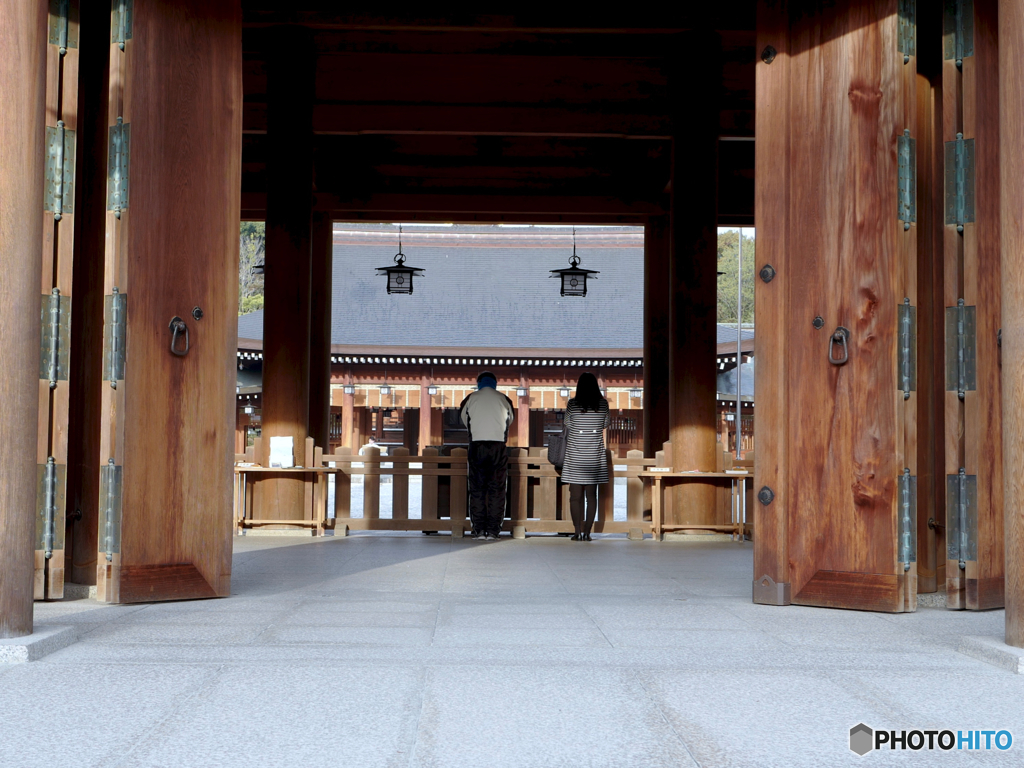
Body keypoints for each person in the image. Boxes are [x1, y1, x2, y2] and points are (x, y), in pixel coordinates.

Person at [459, 371, 515, 540]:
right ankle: (493, 530)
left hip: (477, 445)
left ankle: (479, 529)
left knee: (477, 488)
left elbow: (464, 420)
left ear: (479, 383)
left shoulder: (470, 398)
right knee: (497, 489)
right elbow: (509, 420)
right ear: (495, 383)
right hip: (498, 446)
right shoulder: (503, 398)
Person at [561, 372, 610, 541]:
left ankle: (576, 531)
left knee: (575, 497)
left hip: (575, 454)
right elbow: (605, 424)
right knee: (591, 496)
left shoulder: (572, 404)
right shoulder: (603, 404)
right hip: (594, 456)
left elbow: (567, 423)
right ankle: (588, 532)